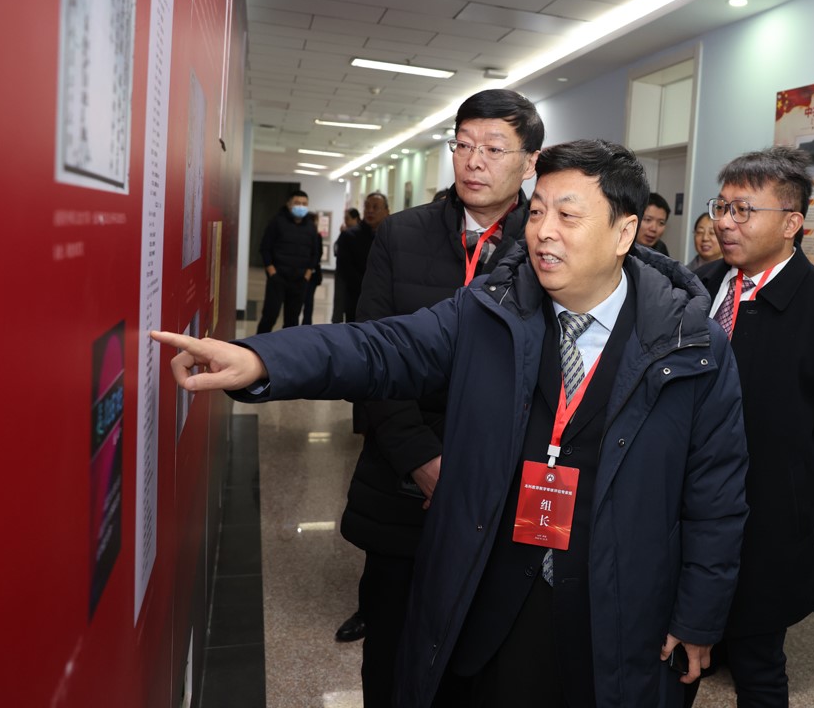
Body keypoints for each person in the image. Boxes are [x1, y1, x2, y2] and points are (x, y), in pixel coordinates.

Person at [152, 138, 749, 708]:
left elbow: (716, 493)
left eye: (568, 216)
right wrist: (263, 360)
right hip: (494, 591)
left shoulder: (690, 345)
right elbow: (382, 347)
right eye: (538, 211)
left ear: (624, 231)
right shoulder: (491, 309)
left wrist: (699, 616)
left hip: (617, 606)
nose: (543, 231)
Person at [347, 89, 543, 707]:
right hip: (403, 477)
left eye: (493, 148)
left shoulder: (547, 243)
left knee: (478, 656)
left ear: (530, 163)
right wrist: (421, 459)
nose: (473, 161)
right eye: (463, 144)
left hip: (500, 482)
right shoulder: (401, 235)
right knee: (391, 646)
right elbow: (372, 354)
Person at [694, 146, 814, 707]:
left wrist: (786, 480)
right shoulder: (696, 287)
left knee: (758, 662)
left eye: (744, 210)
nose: (726, 222)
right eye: (722, 207)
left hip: (764, 520)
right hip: (681, 507)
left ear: (791, 223)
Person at [256, 189, 320, 334]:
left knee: (292, 321)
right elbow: (265, 248)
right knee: (269, 316)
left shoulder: (311, 227)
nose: (301, 206)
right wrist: (272, 272)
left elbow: (315, 253)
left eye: (304, 204)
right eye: (297, 203)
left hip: (300, 281)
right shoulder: (277, 222)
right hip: (278, 278)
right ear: (289, 204)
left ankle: (287, 347)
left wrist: (307, 274)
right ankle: (257, 344)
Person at [334, 193, 389, 323]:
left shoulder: (391, 235)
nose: (370, 211)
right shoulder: (349, 236)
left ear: (387, 211)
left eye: (375, 207)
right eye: (367, 206)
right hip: (356, 298)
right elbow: (345, 270)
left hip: (385, 301)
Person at [332, 208, 363, 323]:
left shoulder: (358, 234)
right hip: (344, 274)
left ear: (356, 219)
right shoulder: (346, 233)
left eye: (347, 218)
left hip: (352, 276)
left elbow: (337, 250)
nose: (345, 221)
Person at [301, 213, 324, 325]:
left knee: (308, 300)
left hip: (312, 274)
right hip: (303, 272)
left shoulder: (317, 236)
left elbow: (318, 254)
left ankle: (306, 324)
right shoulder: (310, 235)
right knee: (305, 300)